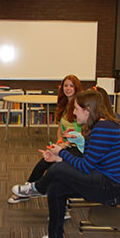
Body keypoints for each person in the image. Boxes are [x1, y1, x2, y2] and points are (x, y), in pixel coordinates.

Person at [12, 89, 120, 238]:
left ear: (88, 110)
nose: (73, 112)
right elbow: (88, 161)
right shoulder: (101, 126)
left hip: (117, 188)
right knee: (56, 188)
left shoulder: (104, 128)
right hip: (108, 179)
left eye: (76, 109)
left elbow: (85, 167)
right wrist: (60, 158)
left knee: (58, 170)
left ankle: (36, 188)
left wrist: (61, 153)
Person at [8, 74, 84, 205]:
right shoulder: (63, 104)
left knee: (55, 166)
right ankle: (27, 190)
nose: (68, 88)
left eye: (71, 86)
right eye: (66, 85)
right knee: (44, 162)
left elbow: (82, 133)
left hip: (79, 147)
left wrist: (65, 145)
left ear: (77, 88)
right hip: (66, 145)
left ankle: (48, 197)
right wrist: (59, 141)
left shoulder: (80, 106)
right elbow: (60, 127)